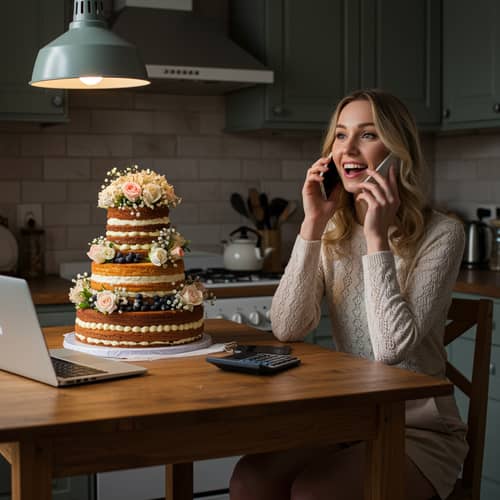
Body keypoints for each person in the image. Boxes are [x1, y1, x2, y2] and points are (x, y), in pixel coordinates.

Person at [229, 89, 468, 500]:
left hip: (419, 428)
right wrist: (312, 225)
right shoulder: (335, 230)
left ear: (398, 151)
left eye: (368, 135)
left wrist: (377, 238)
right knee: (250, 480)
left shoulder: (443, 234)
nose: (349, 149)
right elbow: (287, 328)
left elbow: (391, 349)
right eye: (340, 136)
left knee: (315, 493)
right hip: (347, 417)